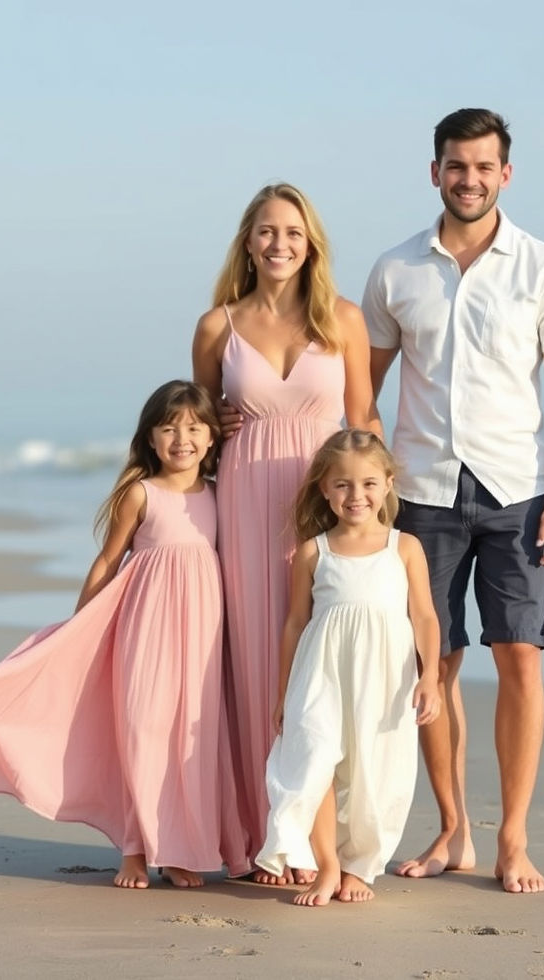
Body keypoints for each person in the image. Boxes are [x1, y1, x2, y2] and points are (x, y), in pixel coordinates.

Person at [362, 108, 544, 894]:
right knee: (436, 661)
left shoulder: (543, 266)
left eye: (483, 166)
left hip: (518, 492)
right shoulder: (396, 270)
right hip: (420, 493)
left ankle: (514, 838)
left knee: (519, 654)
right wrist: (366, 481)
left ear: (506, 174)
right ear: (436, 172)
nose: (469, 179)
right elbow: (366, 384)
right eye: (456, 166)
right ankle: (454, 829)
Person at [0, 381, 250, 888]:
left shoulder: (219, 492)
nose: (182, 438)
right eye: (169, 427)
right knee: (144, 732)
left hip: (203, 635)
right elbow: (109, 559)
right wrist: (79, 624)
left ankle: (179, 849)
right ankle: (134, 848)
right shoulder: (140, 492)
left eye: (195, 427)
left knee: (193, 738)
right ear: (150, 438)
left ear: (213, 437)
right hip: (147, 629)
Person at [192, 183, 382, 881]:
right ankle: (263, 837)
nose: (280, 244)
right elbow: (201, 429)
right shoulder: (219, 327)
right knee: (256, 664)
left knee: (317, 666)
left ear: (311, 246)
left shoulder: (344, 320)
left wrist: (380, 516)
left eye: (293, 234)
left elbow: (363, 422)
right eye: (268, 232)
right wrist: (216, 432)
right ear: (248, 240)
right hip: (245, 506)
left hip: (323, 506)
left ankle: (317, 840)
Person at [256, 429, 441, 906]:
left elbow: (423, 615)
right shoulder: (314, 550)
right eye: (342, 484)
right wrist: (283, 693)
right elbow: (296, 623)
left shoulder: (404, 547)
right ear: (324, 488)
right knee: (315, 760)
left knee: (372, 771)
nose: (355, 495)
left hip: (385, 678)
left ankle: (360, 865)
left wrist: (432, 678)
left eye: (367, 484)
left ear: (388, 483)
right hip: (321, 674)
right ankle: (326, 865)